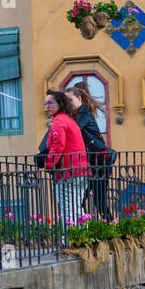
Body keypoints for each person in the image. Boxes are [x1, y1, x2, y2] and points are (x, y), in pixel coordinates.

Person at [43, 90, 89, 232]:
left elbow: (58, 145)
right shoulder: (69, 119)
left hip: (68, 173)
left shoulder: (59, 121)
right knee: (76, 209)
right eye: (46, 103)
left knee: (68, 211)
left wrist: (49, 165)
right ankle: (85, 237)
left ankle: (69, 242)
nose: (47, 106)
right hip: (80, 171)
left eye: (51, 102)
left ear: (60, 104)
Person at [67, 82, 114, 221]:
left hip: (99, 162)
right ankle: (87, 227)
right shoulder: (79, 113)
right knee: (81, 199)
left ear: (79, 98)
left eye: (70, 99)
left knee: (97, 200)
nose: (68, 103)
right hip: (92, 162)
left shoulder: (84, 114)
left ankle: (109, 228)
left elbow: (74, 129)